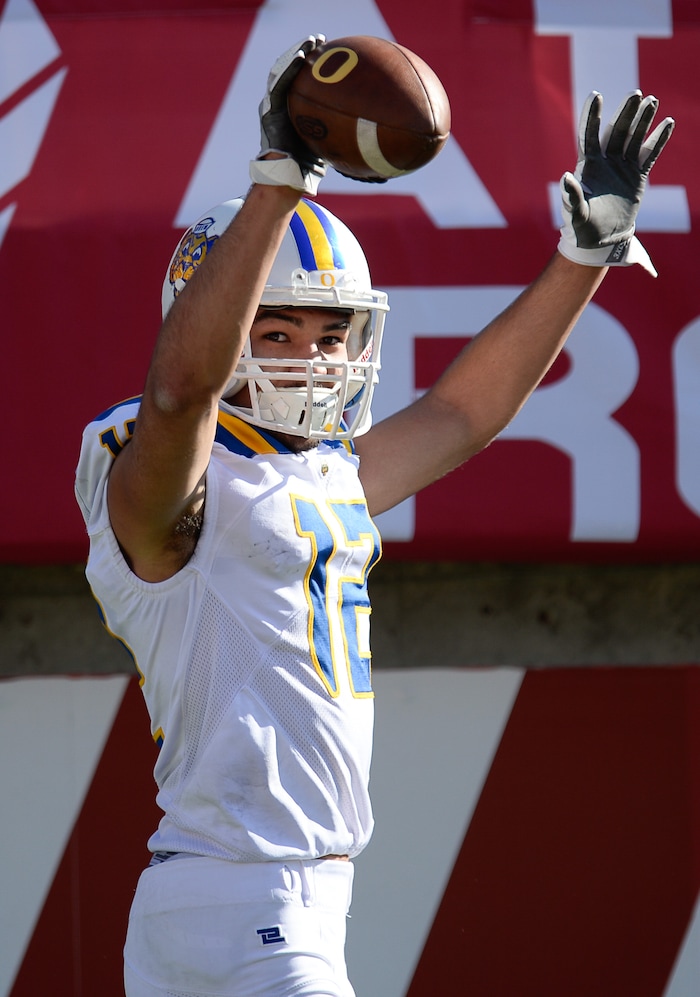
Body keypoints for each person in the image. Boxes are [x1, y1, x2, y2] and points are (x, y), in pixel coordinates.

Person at [75, 34, 674, 997]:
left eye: (331, 332)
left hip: (247, 907)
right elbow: (182, 397)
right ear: (214, 318)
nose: (312, 359)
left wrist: (583, 253)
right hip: (251, 905)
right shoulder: (157, 466)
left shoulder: (319, 476)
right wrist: (280, 181)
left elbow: (462, 412)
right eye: (276, 328)